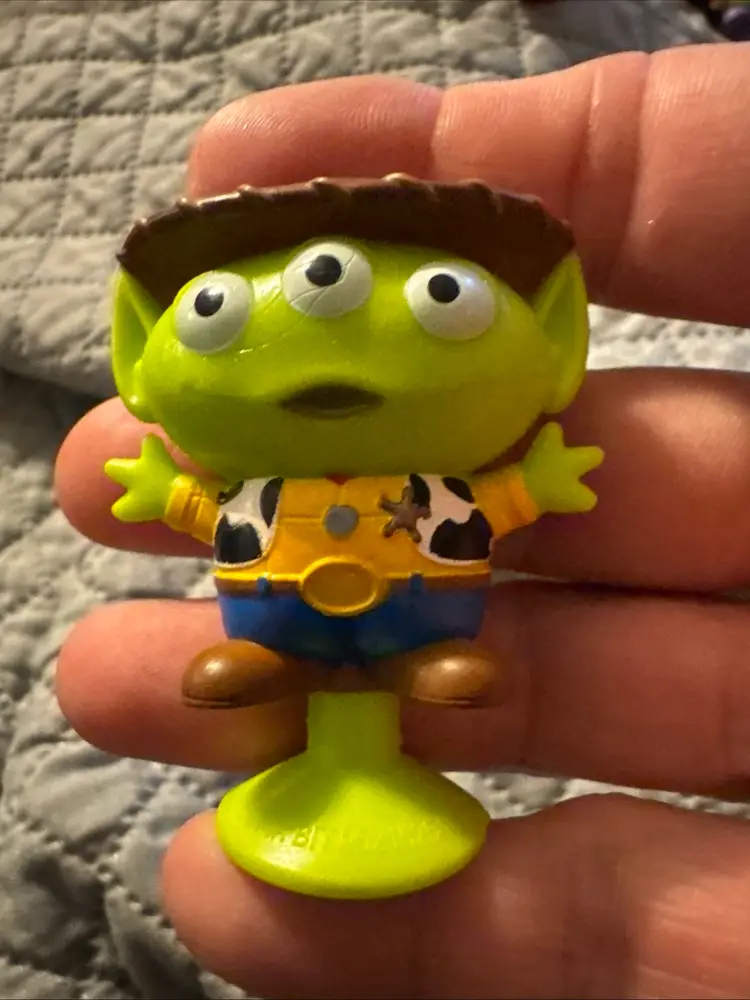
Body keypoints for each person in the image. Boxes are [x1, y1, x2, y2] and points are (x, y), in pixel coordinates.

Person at [53, 43, 750, 1000]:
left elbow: (496, 506)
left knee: (443, 669)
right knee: (247, 669)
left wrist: (538, 481)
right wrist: (161, 489)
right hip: (281, 615)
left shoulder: (442, 488)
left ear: (555, 344)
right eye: (215, 308)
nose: (328, 288)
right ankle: (279, 666)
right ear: (139, 354)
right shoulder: (266, 491)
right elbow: (206, 509)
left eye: (444, 298)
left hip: (420, 618)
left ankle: (411, 671)